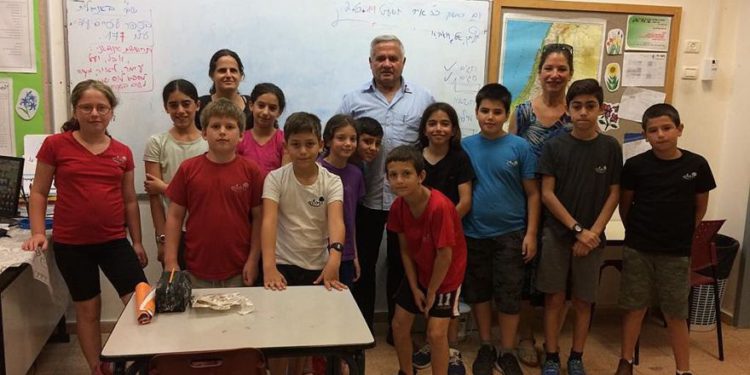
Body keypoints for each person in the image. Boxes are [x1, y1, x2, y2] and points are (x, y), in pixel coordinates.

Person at [22, 80, 148, 375]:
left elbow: (130, 201)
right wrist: (38, 232)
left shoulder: (122, 152)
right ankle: (98, 368)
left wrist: (138, 242)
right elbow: (38, 191)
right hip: (72, 245)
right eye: (86, 107)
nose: (94, 113)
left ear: (111, 112)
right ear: (75, 111)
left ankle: (131, 360)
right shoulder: (55, 145)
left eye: (101, 107)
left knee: (141, 303)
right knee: (88, 310)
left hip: (114, 241)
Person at [338, 34, 435, 339]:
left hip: (405, 201)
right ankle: (361, 328)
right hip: (363, 200)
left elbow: (430, 146)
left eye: (393, 58)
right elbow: (340, 144)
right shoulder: (353, 101)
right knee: (361, 266)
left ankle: (399, 330)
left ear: (403, 62)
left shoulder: (423, 99)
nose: (387, 64)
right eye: (380, 58)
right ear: (371, 63)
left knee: (401, 265)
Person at [614, 103, 715, 375]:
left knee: (675, 312)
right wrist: (636, 232)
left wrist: (682, 232)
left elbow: (700, 207)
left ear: (679, 129)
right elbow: (625, 207)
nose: (661, 135)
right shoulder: (635, 166)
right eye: (653, 130)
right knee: (635, 307)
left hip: (676, 251)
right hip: (639, 248)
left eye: (667, 128)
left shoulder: (697, 165)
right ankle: (626, 362)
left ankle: (683, 369)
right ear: (645, 135)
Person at [536, 79, 622, 375]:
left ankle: (576, 356)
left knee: (584, 300)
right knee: (555, 298)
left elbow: (614, 192)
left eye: (590, 106)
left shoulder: (610, 147)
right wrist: (577, 230)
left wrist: (593, 233)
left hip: (593, 238)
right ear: (568, 110)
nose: (583, 112)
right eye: (577, 106)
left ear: (600, 108)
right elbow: (547, 193)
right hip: (558, 234)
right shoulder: (554, 146)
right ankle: (551, 355)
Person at [461, 84, 540, 375]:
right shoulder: (465, 146)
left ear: (506, 115)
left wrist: (531, 234)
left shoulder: (520, 148)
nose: (490, 117)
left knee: (509, 295)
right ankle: (485, 345)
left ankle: (507, 351)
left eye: (497, 112)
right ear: (477, 112)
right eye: (485, 111)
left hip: (511, 234)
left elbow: (533, 194)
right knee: (479, 293)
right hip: (474, 232)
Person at [260, 112, 346, 375]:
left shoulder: (332, 180)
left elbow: (336, 222)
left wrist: (335, 259)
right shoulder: (275, 178)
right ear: (286, 146)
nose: (303, 150)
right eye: (295, 144)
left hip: (317, 266)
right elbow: (269, 222)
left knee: (304, 335)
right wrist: (269, 266)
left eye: (309, 144)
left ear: (321, 145)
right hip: (283, 265)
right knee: (279, 336)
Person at [509, 42, 574, 367]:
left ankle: (552, 340)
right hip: (525, 204)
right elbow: (511, 158)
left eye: (561, 68)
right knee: (525, 274)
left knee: (557, 278)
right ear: (540, 71)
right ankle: (525, 337)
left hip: (565, 206)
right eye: (549, 68)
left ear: (570, 73)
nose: (554, 74)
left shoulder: (577, 114)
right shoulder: (521, 112)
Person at [162, 98, 264, 288]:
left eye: (230, 126)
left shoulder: (251, 171)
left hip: (239, 268)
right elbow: (175, 217)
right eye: (216, 126)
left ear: (241, 134)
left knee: (238, 317)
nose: (223, 132)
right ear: (204, 133)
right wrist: (170, 262)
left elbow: (259, 218)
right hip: (196, 268)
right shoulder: (188, 169)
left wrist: (253, 260)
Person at [386, 145, 467, 375]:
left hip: (446, 275)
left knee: (435, 333)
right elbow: (405, 251)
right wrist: (414, 287)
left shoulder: (439, 207)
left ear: (420, 176)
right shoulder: (398, 207)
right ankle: (406, 370)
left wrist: (431, 291)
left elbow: (445, 256)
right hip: (420, 270)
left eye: (406, 174)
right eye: (393, 175)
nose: (399, 180)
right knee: (399, 325)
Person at [411, 102, 474, 374]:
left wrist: (440, 229)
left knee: (449, 299)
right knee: (428, 290)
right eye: (433, 123)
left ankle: (451, 351)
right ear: (424, 128)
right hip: (419, 241)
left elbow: (466, 201)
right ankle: (430, 343)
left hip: (450, 241)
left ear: (453, 129)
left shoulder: (459, 158)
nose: (438, 128)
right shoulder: (414, 156)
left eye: (445, 123)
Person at [144, 79, 208, 269]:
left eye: (186, 103)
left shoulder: (209, 142)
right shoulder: (157, 142)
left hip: (205, 228)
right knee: (176, 289)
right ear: (166, 108)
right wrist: (161, 238)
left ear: (197, 105)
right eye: (173, 105)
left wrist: (165, 187)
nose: (180, 110)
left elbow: (206, 192)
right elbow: (154, 197)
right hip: (174, 232)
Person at [320, 114, 366, 288]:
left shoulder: (356, 174)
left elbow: (350, 217)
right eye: (341, 138)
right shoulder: (317, 170)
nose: (348, 143)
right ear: (328, 141)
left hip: (345, 253)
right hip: (318, 253)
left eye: (353, 139)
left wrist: (354, 254)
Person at [237, 82, 290, 174]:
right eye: (261, 106)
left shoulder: (284, 140)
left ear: (279, 112)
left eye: (272, 108)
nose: (265, 112)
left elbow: (285, 177)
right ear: (251, 105)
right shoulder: (240, 139)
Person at [195, 49, 251, 129]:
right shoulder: (199, 107)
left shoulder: (253, 106)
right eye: (222, 70)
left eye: (233, 70)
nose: (228, 75)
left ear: (241, 75)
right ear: (211, 75)